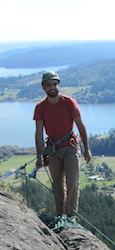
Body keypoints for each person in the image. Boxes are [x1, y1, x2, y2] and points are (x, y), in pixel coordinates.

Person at [33, 70, 92, 217]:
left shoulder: (69, 103)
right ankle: (60, 215)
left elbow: (81, 126)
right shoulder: (40, 107)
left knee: (73, 184)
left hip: (71, 148)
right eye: (48, 85)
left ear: (59, 85)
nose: (52, 87)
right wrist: (40, 156)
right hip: (53, 150)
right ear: (43, 87)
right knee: (57, 186)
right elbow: (39, 133)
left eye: (54, 84)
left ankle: (71, 218)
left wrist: (87, 149)